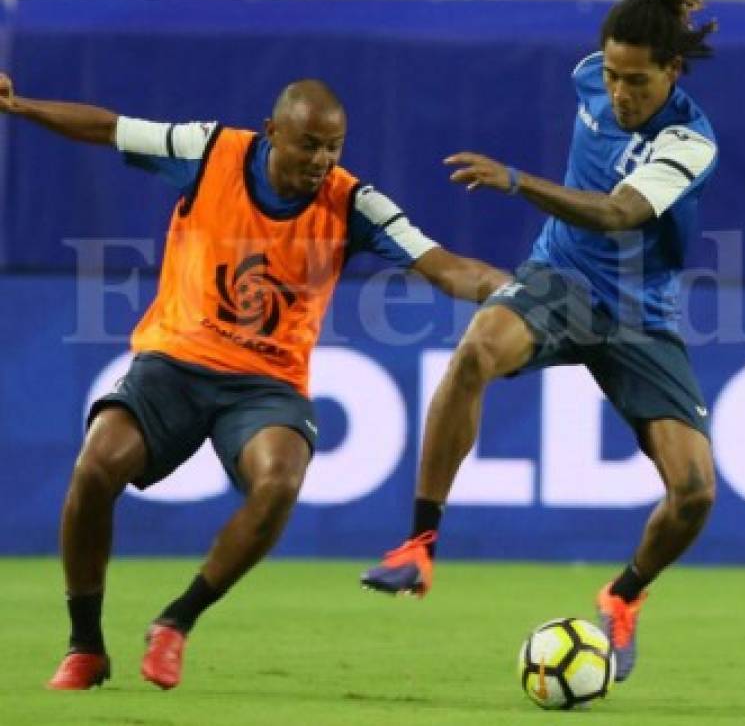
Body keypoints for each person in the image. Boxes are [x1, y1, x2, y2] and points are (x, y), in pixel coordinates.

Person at [0, 76, 510, 691]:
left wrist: (523, 292)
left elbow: (445, 265)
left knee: (280, 481)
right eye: (308, 145)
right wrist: (18, 106)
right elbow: (108, 128)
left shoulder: (354, 204)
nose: (322, 161)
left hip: (266, 386)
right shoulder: (208, 151)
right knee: (93, 468)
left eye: (334, 148)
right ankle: (86, 645)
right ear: (272, 133)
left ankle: (176, 622)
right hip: (173, 364)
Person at [361, 0, 720, 682]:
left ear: (674, 71)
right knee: (473, 354)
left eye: (638, 81)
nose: (619, 92)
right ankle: (417, 545)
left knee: (693, 492)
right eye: (614, 76)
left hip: (639, 314)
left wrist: (518, 182)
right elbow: (610, 74)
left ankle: (621, 597)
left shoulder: (690, 142)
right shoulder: (590, 71)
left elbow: (620, 212)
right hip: (561, 280)